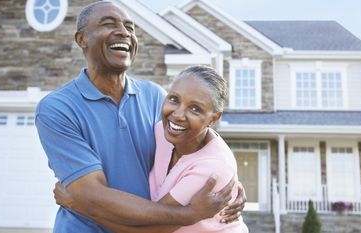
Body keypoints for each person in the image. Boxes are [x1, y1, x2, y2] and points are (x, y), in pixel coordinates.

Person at [35, 1, 245, 233]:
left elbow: (195, 143)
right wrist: (190, 214)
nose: (124, 32)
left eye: (130, 27)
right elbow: (93, 197)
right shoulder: (57, 109)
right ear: (81, 39)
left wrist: (229, 181)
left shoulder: (155, 96)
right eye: (108, 24)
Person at [55, 66, 249, 233]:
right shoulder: (162, 133)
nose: (178, 115)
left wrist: (77, 204)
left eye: (195, 109)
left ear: (213, 119)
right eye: (174, 99)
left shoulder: (211, 170)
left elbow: (150, 229)